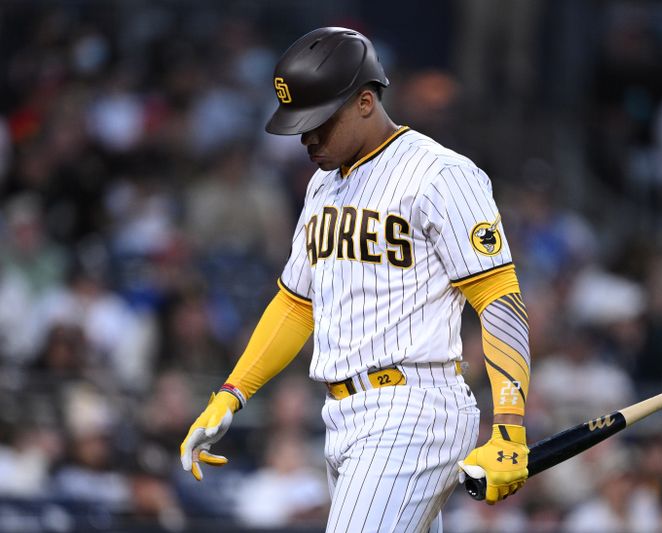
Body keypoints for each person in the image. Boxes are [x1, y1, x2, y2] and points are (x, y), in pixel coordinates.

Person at [180, 27, 532, 532]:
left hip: (414, 409)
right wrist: (231, 392)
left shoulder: (440, 174)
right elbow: (296, 304)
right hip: (344, 416)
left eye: (320, 123)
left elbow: (498, 298)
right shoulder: (323, 184)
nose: (308, 139)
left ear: (365, 101)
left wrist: (510, 426)